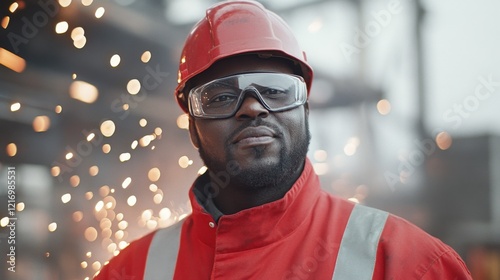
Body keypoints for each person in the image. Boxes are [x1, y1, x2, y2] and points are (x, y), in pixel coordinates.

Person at [95, 1, 472, 279]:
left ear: (306, 110)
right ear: (193, 128)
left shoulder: (411, 265)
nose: (252, 109)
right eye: (222, 97)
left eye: (276, 91)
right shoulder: (130, 271)